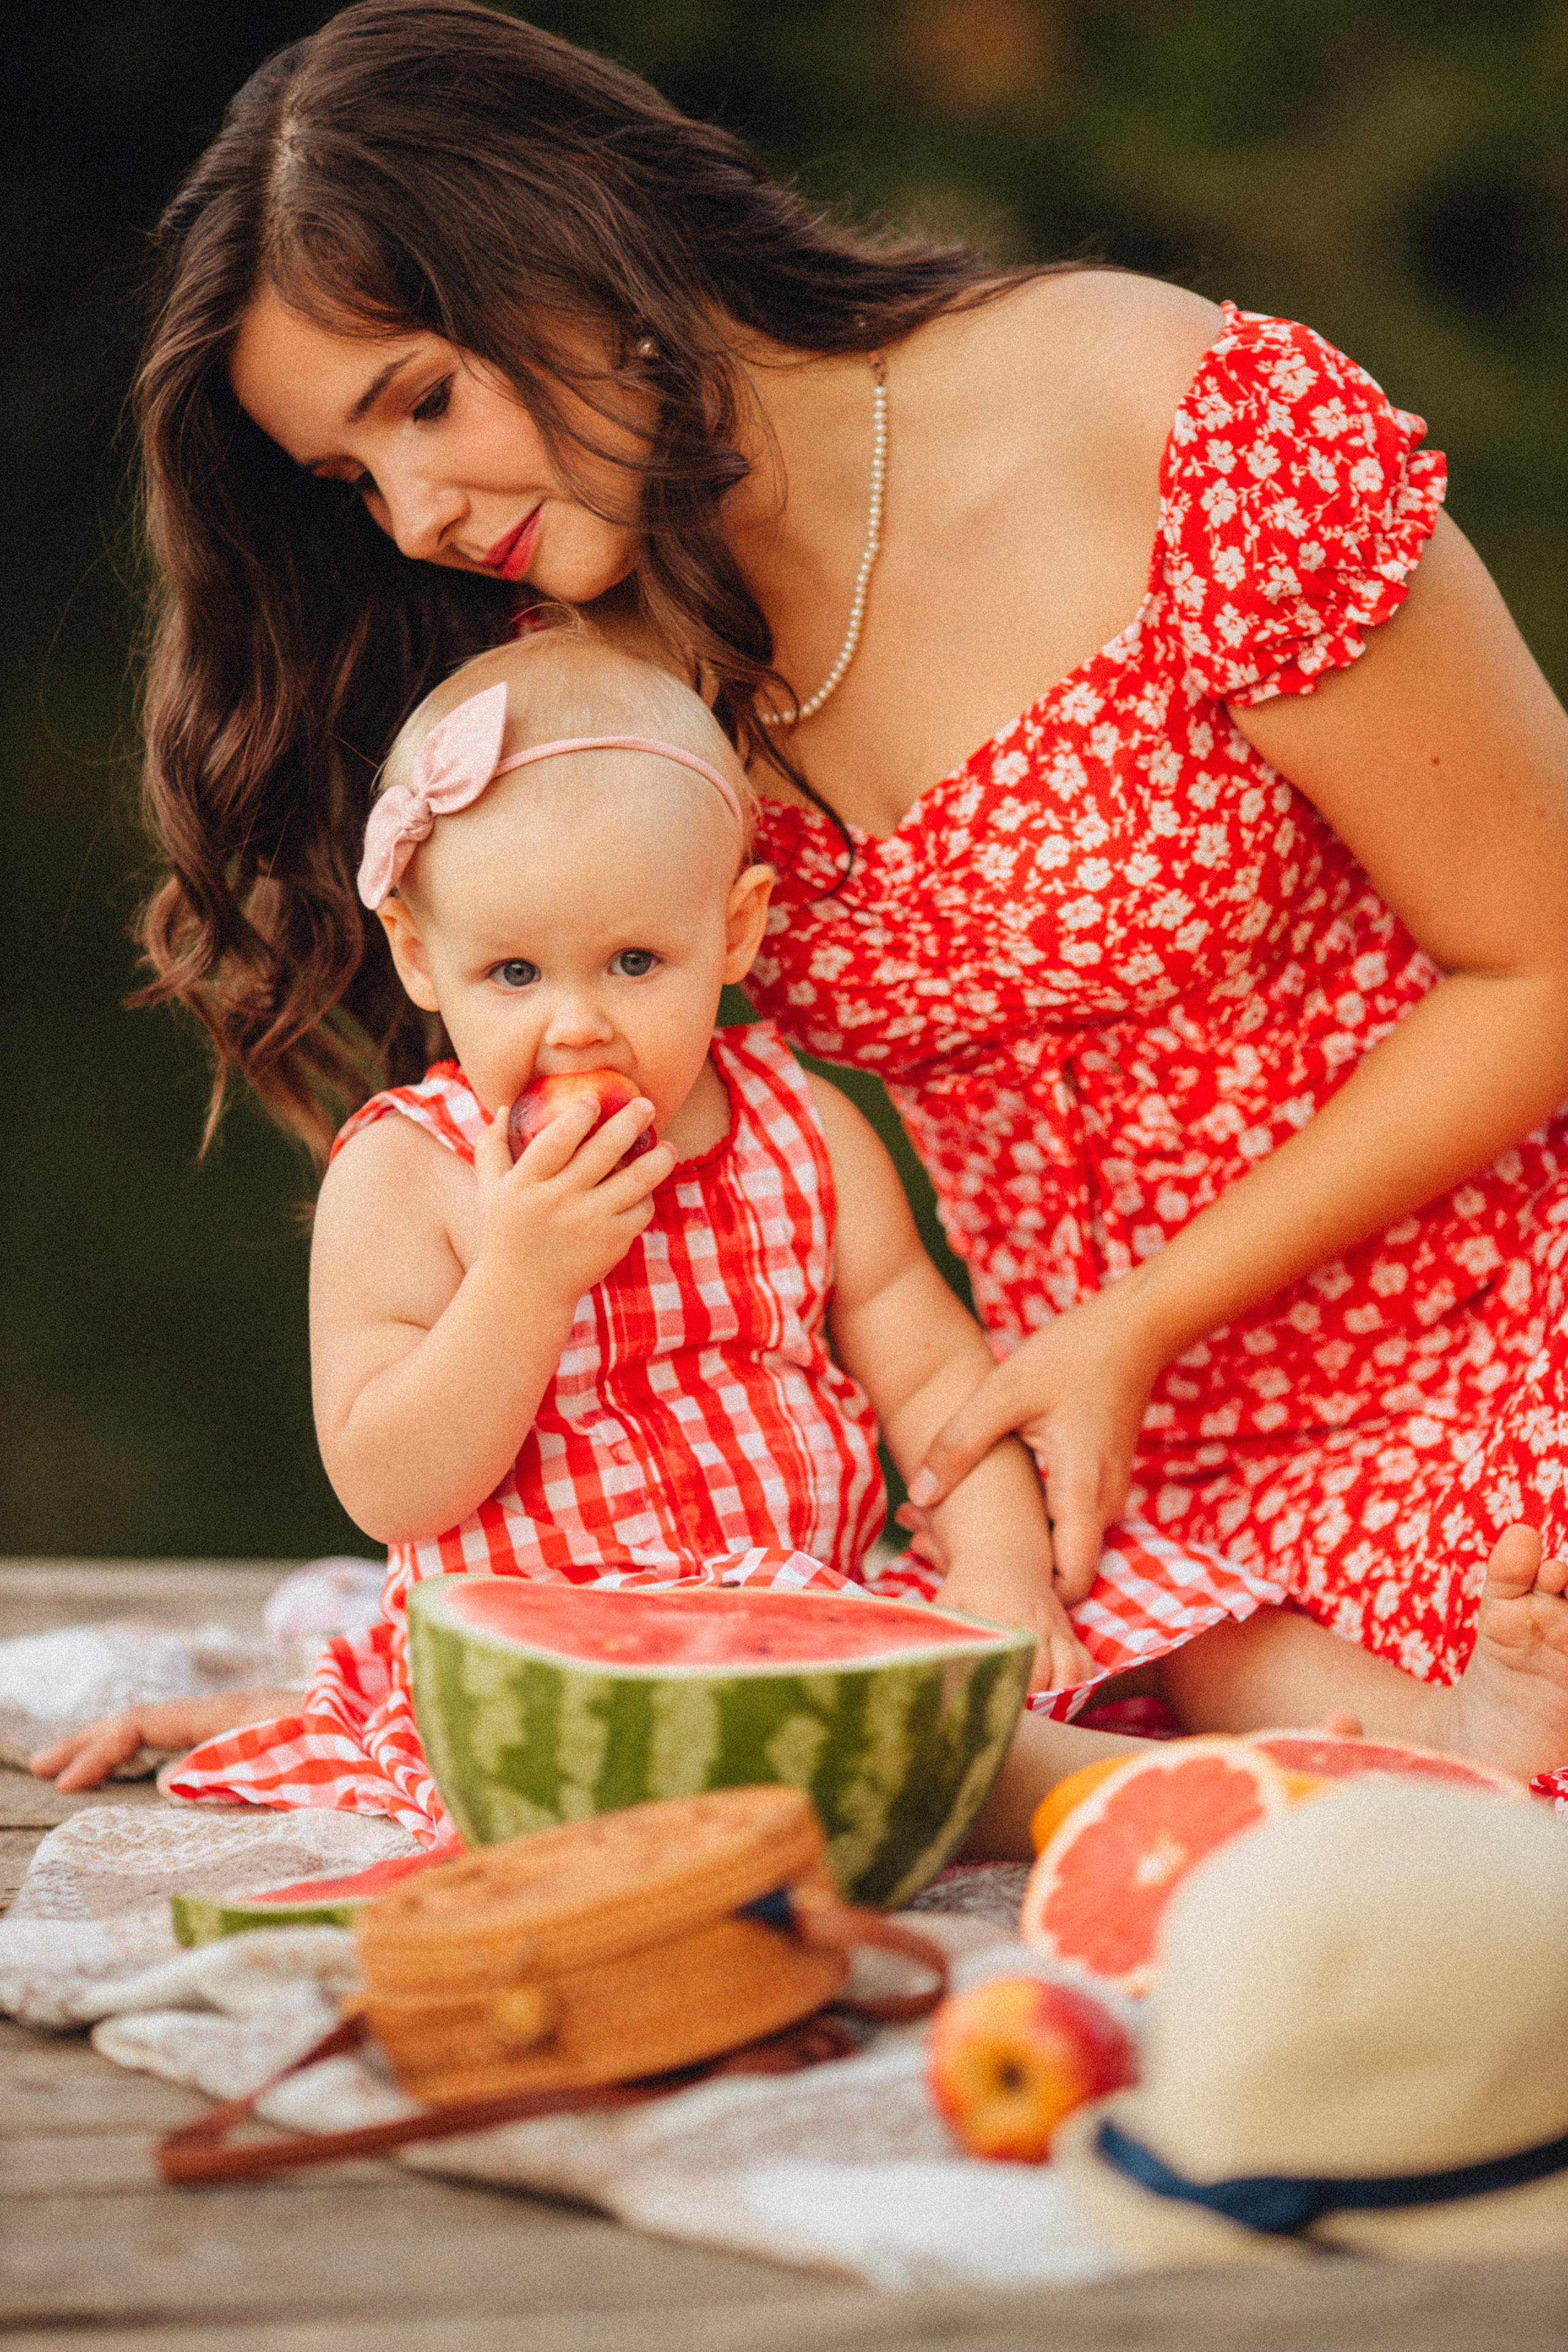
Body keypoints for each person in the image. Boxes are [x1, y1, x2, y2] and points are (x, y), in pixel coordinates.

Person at [102, 0, 1568, 1796]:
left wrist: (1132, 1330)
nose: (410, 512)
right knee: (923, 1761)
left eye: (422, 399)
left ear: (574, 240)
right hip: (1064, 1474)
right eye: (352, 474)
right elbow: (643, 1291)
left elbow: (1543, 959)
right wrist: (427, 1689)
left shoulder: (1167, 417)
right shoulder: (591, 693)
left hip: (1491, 1320)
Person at [35, 634, 1568, 1841]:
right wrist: (523, 1277)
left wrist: (998, 1577)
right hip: (593, 1663)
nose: (576, 1019)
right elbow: (390, 1477)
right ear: (421, 959)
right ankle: (1166, 1801)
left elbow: (934, 1384)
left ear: (740, 937)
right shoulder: (416, 1179)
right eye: (512, 972)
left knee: (1157, 1611)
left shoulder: (795, 1128)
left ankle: (1435, 1728)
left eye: (636, 960)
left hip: (836, 1594)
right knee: (907, 1737)